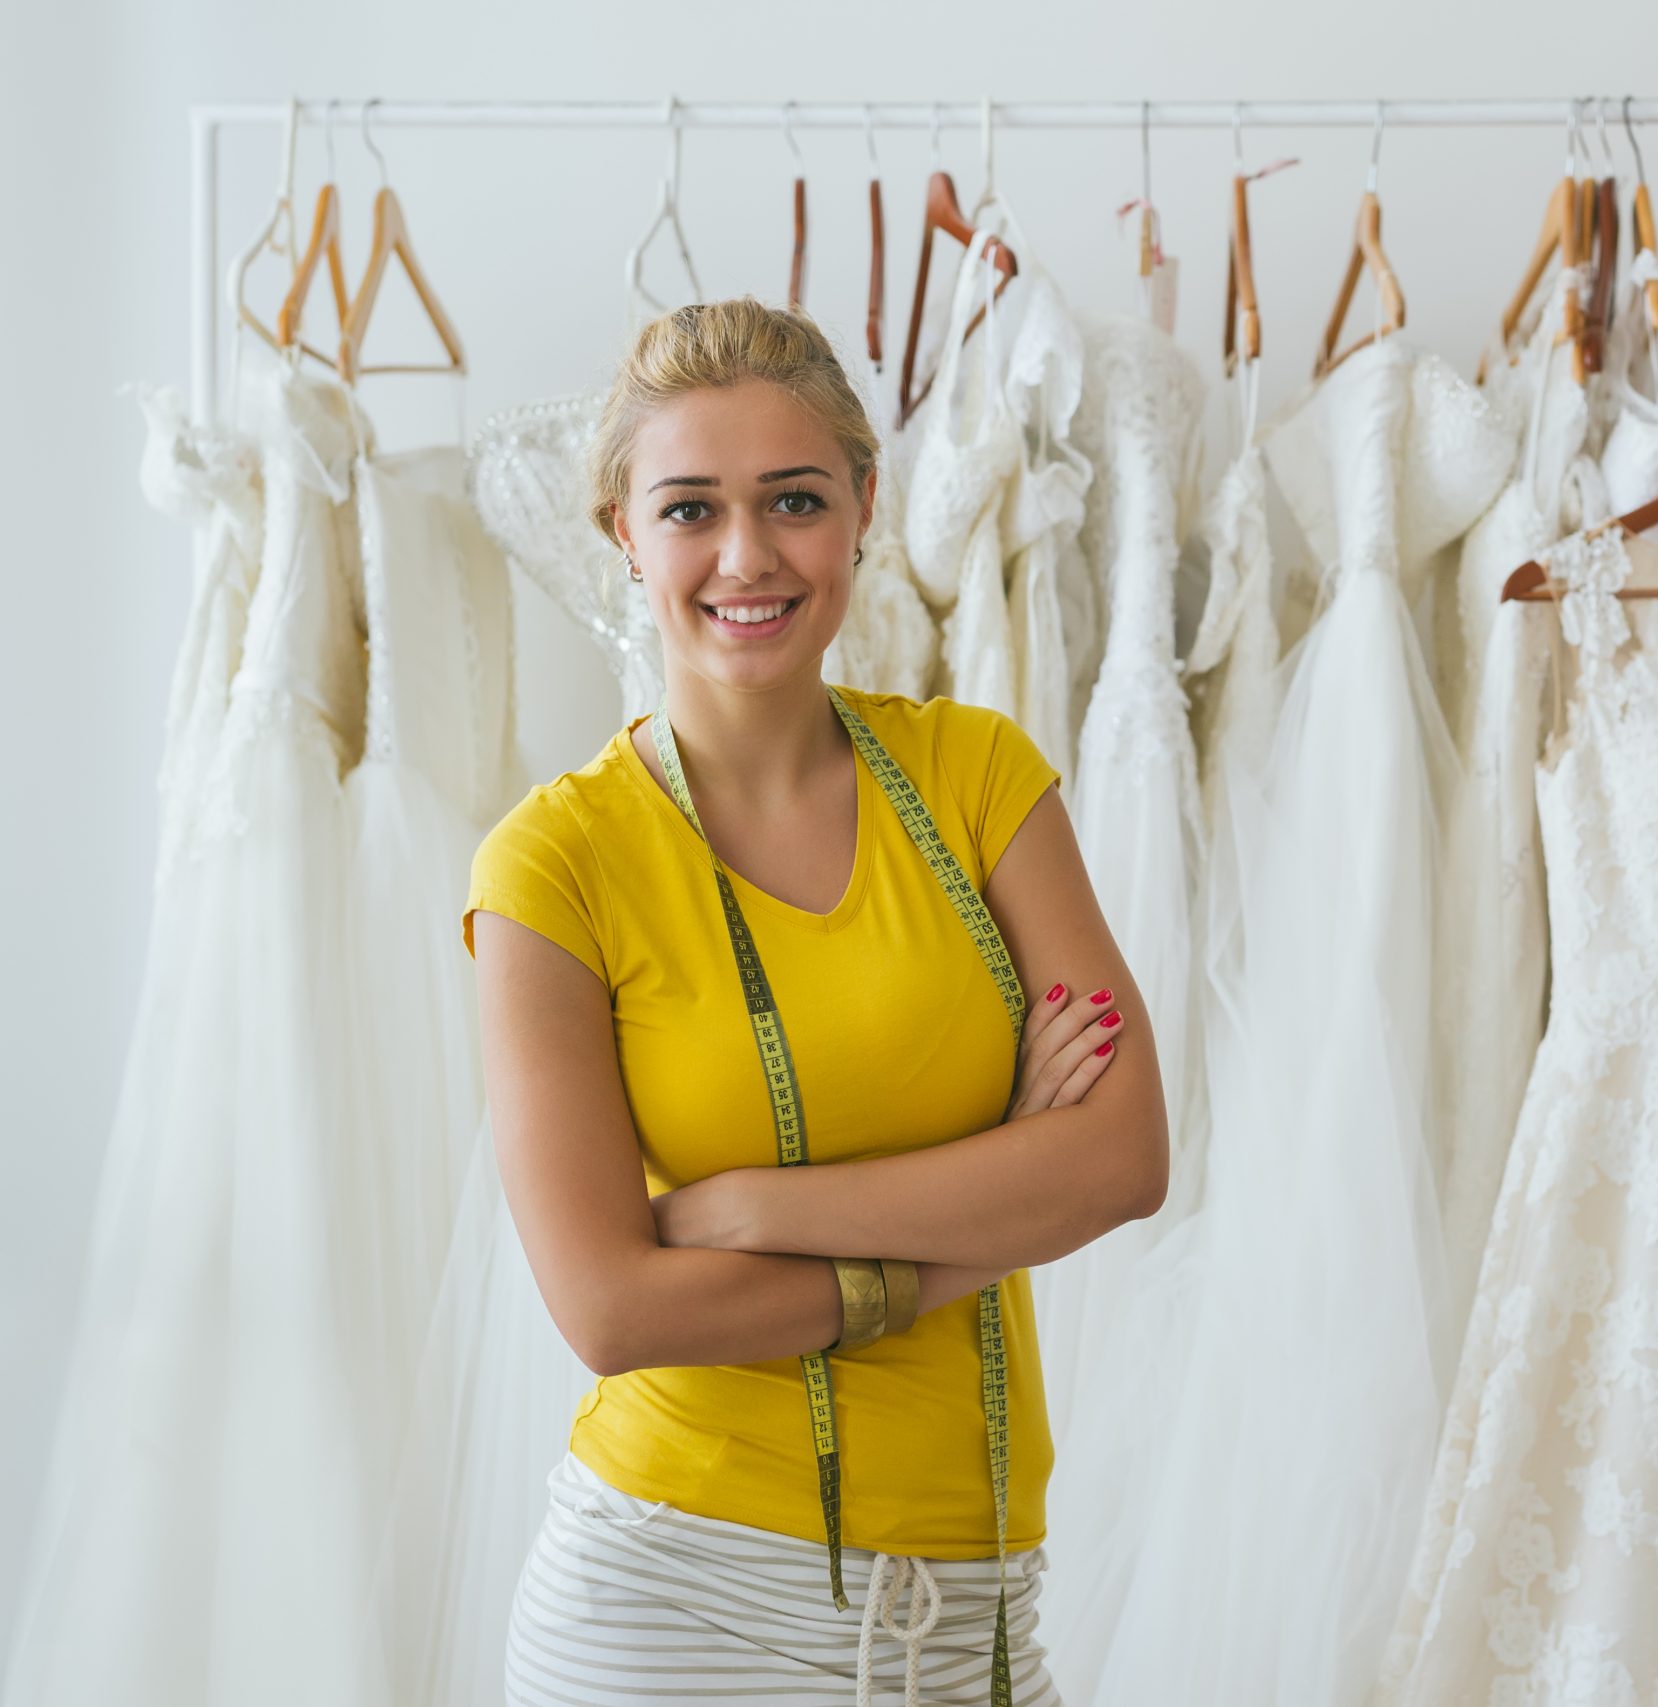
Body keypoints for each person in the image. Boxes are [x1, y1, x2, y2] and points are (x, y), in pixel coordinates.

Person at [462, 297, 1167, 1706]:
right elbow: (610, 1307)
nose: (746, 557)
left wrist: (753, 1210)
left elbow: (1123, 1162)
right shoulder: (553, 865)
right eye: (689, 509)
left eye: (793, 500)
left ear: (862, 508)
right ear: (621, 531)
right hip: (670, 1602)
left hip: (970, 1614)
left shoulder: (980, 781)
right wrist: (989, 1219)